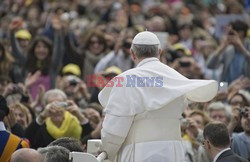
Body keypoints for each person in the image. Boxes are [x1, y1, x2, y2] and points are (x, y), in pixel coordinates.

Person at [98, 31, 218, 162]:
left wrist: (107, 152)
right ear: (160, 52)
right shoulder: (175, 77)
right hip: (173, 153)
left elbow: (114, 129)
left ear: (132, 54)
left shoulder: (126, 79)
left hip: (139, 153)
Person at [0, 95, 29, 162]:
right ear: (6, 117)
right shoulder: (20, 144)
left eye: (20, 115)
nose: (18, 118)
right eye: (15, 115)